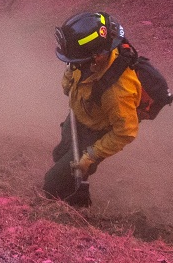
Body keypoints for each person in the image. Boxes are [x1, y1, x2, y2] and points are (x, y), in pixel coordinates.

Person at [43, 11, 141, 207]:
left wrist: (91, 156)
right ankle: (73, 183)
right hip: (79, 116)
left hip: (94, 134)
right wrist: (69, 80)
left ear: (97, 57)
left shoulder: (117, 92)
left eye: (76, 61)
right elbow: (72, 71)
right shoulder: (87, 59)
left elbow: (125, 132)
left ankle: (73, 207)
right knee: (60, 154)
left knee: (53, 183)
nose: (73, 64)